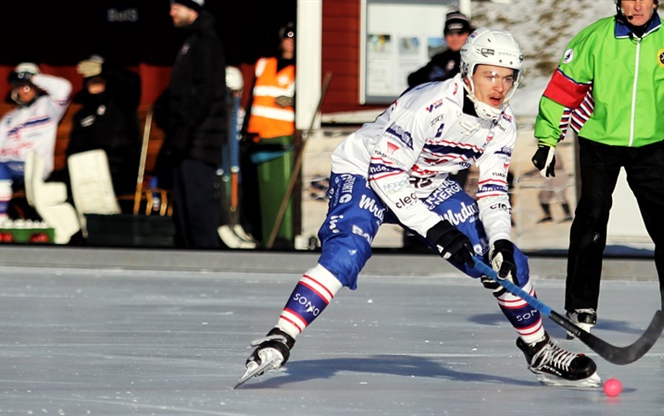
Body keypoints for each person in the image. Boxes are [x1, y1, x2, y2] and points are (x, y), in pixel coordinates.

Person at [239, 28, 601, 389]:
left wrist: (501, 240)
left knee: (508, 262)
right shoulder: (428, 105)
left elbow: (492, 189)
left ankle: (539, 349)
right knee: (348, 252)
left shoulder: (502, 123)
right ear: (467, 72)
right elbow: (384, 173)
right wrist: (436, 229)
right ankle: (280, 336)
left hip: (426, 180)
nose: (499, 87)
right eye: (490, 75)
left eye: (508, 78)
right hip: (366, 172)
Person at [532, 0, 664, 341]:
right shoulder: (595, 38)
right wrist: (547, 139)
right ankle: (581, 306)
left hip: (651, 143)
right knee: (593, 215)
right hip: (599, 141)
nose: (637, 5)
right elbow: (563, 90)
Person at [155, 0, 227, 248]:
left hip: (200, 142)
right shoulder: (191, 40)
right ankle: (189, 258)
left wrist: (186, 131)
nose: (171, 12)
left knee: (198, 207)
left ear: (191, 8)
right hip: (185, 142)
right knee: (184, 209)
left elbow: (206, 94)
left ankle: (206, 258)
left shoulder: (207, 41)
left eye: (176, 6)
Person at [0, 63, 72, 225]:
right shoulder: (10, 118)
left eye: (28, 86)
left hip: (32, 165)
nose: (24, 91)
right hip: (4, 163)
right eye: (20, 87)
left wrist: (33, 78)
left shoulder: (47, 107)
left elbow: (64, 88)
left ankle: (0, 222)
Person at [48, 55, 142, 197]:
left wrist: (105, 69)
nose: (96, 86)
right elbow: (74, 148)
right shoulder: (83, 115)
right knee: (55, 181)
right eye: (92, 82)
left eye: (100, 81)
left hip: (120, 167)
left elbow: (132, 82)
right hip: (89, 168)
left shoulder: (123, 104)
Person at [240, 21, 298, 243]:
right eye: (287, 36)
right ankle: (255, 232)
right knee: (253, 192)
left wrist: (292, 101)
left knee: (276, 191)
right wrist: (245, 131)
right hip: (257, 138)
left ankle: (278, 236)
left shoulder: (300, 69)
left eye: (294, 37)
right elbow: (252, 99)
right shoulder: (264, 64)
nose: (290, 42)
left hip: (282, 139)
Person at [406, 11, 473, 89]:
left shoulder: (473, 58)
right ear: (445, 35)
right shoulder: (439, 59)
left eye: (460, 33)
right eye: (450, 33)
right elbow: (413, 79)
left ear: (468, 34)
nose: (455, 38)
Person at [536, 152, 572, 223]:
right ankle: (547, 215)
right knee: (543, 195)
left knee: (560, 195)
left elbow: (556, 165)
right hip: (550, 175)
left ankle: (568, 215)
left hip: (558, 174)